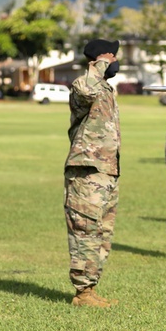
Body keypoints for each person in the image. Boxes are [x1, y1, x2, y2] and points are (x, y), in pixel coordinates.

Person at [64, 39, 122, 307]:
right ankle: (82, 292)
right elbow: (86, 91)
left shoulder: (107, 89)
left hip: (107, 171)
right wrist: (99, 66)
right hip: (87, 170)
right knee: (85, 230)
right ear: (100, 58)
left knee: (102, 233)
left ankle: (91, 287)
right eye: (112, 55)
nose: (115, 60)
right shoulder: (83, 84)